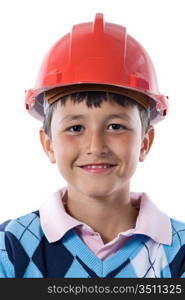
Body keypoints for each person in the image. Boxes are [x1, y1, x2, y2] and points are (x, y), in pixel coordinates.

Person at [0, 13, 184, 278]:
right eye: (75, 128)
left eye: (115, 126)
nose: (95, 146)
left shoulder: (178, 251)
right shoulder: (11, 248)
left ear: (145, 142)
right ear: (48, 143)